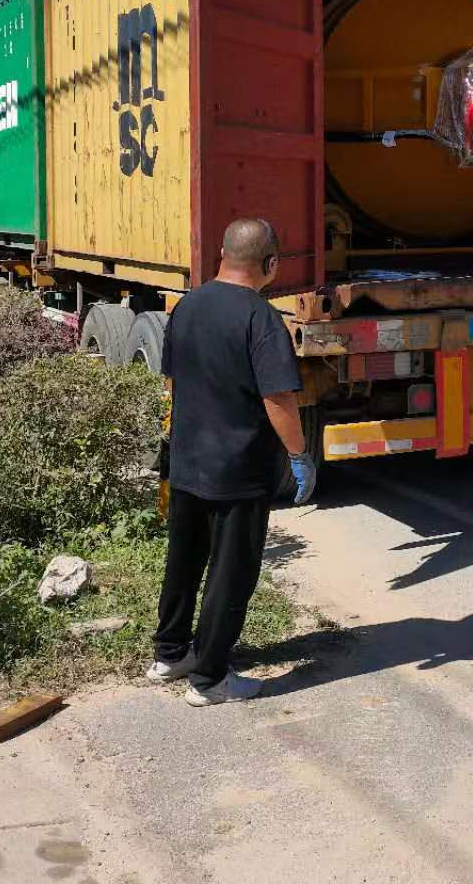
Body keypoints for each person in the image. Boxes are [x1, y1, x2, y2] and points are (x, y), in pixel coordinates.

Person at [147, 218, 317, 706]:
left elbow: (174, 380)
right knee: (231, 572)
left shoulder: (188, 306)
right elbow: (278, 399)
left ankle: (171, 654)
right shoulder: (261, 319)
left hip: (187, 460)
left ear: (222, 255)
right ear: (271, 264)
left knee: (184, 560)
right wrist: (300, 455)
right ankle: (210, 678)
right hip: (237, 471)